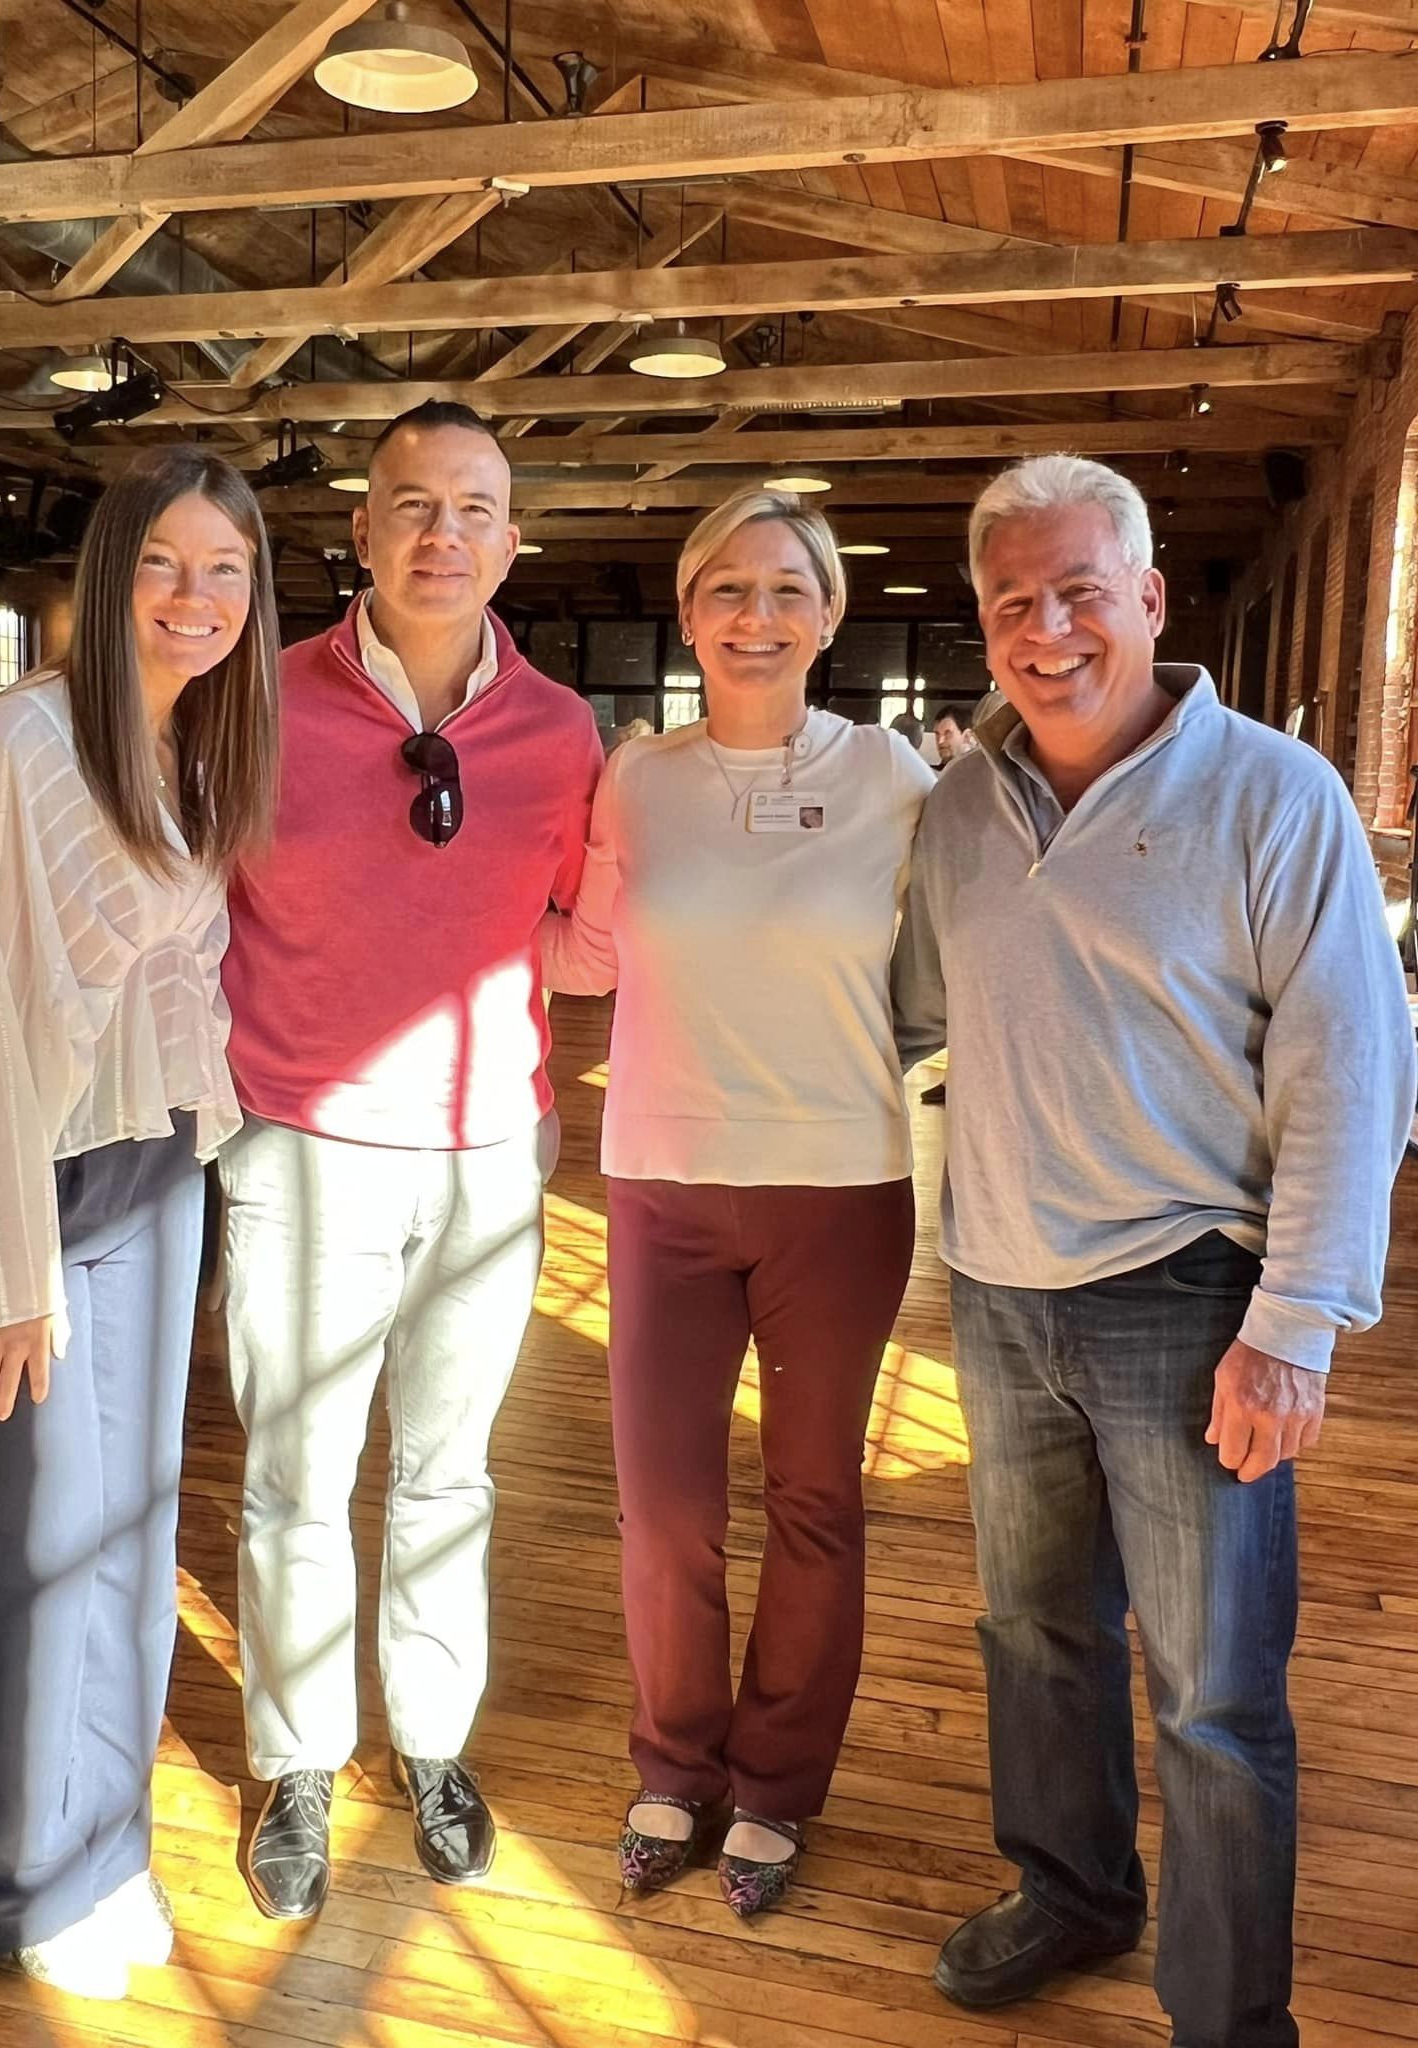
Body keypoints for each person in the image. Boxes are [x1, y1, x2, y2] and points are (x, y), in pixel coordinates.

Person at [891, 455, 1415, 2048]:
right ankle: (1072, 1889)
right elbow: (918, 1015)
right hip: (1002, 1284)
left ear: (1150, 599)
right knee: (1035, 1632)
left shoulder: (1274, 794)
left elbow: (1350, 1069)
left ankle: (1230, 2018)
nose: (1047, 630)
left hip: (1193, 1298)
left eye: (1079, 593)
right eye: (1013, 603)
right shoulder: (960, 810)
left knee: (1215, 1693)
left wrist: (1296, 1323)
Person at [219, 399, 601, 1922]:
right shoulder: (256, 701)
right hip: (304, 1146)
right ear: (361, 532)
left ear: (511, 545)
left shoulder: (562, 733)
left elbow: (572, 929)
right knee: (297, 1479)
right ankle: (299, 1762)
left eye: (473, 508)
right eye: (413, 504)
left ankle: (433, 1742)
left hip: (488, 1153)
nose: (443, 533)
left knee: (449, 1475)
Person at [539, 486, 935, 1919]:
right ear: (689, 612)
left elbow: (955, 962)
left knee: (818, 1498)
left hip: (841, 1188)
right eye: (727, 589)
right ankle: (675, 1765)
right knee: (665, 1510)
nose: (755, 617)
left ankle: (775, 1786)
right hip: (662, 1184)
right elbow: (586, 953)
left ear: (830, 615)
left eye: (786, 591)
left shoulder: (897, 778)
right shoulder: (636, 778)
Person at [0, 448, 280, 1999]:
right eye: (163, 562)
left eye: (225, 570)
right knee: (37, 1546)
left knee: (134, 1526)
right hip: (39, 1183)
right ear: (108, 574)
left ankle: (104, 1849)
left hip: (160, 1168)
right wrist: (2, 1266)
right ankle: (21, 1881)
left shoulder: (196, 746)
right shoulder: (20, 743)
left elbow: (181, 986)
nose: (193, 597)